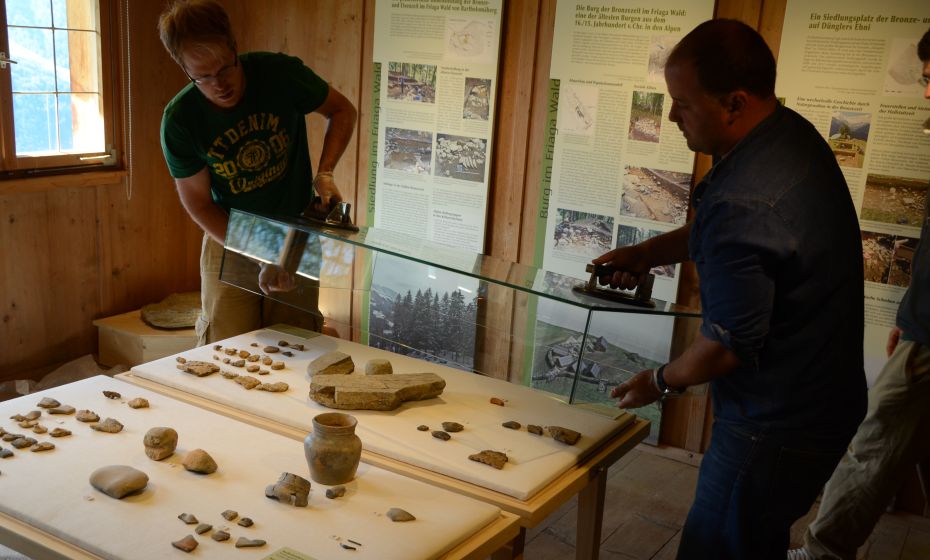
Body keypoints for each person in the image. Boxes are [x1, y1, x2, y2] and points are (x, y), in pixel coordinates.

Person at [594, 19, 867, 559]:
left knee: (717, 548)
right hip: (820, 403)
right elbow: (739, 232)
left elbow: (725, 344)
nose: (671, 116)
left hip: (774, 425)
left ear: (734, 103)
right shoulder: (785, 135)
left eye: (684, 103)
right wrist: (648, 253)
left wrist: (658, 381)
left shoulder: (745, 198)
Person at [788, 27, 930, 560]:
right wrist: (909, 312)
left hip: (928, 339)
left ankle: (823, 552)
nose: (925, 93)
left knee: (873, 441)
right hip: (923, 327)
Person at [158, 0, 357, 345]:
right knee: (226, 348)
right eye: (202, 77)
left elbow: (341, 110)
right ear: (184, 69)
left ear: (235, 48)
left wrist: (325, 174)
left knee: (296, 343)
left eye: (224, 69)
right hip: (229, 231)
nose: (218, 84)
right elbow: (200, 204)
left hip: (296, 228)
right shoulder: (180, 120)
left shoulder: (279, 74)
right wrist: (261, 252)